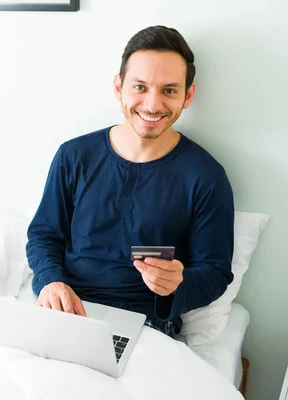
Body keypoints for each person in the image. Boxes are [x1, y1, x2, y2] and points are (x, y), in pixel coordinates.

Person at [25, 25, 235, 337]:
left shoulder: (206, 177)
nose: (152, 105)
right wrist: (51, 281)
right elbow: (44, 235)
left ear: (188, 95)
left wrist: (180, 282)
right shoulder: (73, 156)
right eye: (140, 87)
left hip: (146, 323)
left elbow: (216, 272)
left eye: (169, 90)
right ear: (118, 86)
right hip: (68, 309)